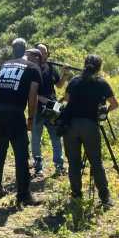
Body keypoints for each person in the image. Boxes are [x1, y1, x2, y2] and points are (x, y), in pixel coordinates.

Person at [63, 55, 118, 209]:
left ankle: (76, 195)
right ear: (99, 67)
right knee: (96, 162)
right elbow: (114, 104)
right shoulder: (101, 83)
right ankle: (105, 197)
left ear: (84, 64)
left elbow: (66, 99)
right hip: (90, 125)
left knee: (73, 162)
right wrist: (103, 112)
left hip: (71, 125)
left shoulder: (74, 81)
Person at [0, 48, 42, 206]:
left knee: (0, 151)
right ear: (32, 56)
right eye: (38, 57)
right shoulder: (33, 68)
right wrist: (31, 117)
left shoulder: (4, 64)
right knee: (21, 153)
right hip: (14, 112)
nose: (39, 61)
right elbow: (33, 95)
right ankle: (24, 195)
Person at [31, 43, 70, 177]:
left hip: (53, 107)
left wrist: (65, 75)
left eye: (45, 53)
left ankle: (59, 166)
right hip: (36, 108)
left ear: (48, 54)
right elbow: (29, 92)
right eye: (39, 53)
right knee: (36, 138)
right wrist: (42, 100)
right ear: (35, 54)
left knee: (56, 136)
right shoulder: (30, 69)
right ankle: (38, 167)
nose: (42, 55)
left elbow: (59, 85)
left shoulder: (51, 67)